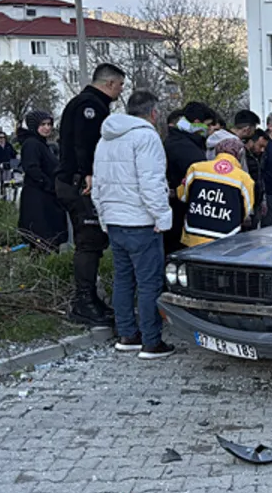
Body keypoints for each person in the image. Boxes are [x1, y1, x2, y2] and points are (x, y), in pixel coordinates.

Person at [91, 90, 174, 360]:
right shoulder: (147, 137)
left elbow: (97, 185)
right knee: (149, 283)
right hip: (141, 222)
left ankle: (128, 335)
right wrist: (162, 217)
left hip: (114, 220)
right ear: (153, 113)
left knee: (123, 280)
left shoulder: (105, 140)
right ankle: (152, 342)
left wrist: (103, 217)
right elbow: (150, 182)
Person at [55, 62, 125, 327]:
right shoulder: (90, 106)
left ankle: (90, 299)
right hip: (78, 183)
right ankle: (83, 302)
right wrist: (88, 173)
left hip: (73, 181)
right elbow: (84, 143)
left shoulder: (87, 102)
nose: (120, 91)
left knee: (93, 242)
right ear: (109, 83)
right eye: (119, 85)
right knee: (89, 242)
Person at [178, 137, 256, 246]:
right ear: (239, 155)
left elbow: (182, 196)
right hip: (225, 239)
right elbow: (246, 211)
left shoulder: (196, 168)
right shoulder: (245, 178)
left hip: (193, 236)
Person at [163, 102, 216, 252]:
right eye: (209, 125)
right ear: (198, 123)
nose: (211, 130)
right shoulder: (185, 147)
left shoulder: (178, 140)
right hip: (180, 212)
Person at [16, 111, 69, 251]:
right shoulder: (32, 144)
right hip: (38, 199)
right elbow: (32, 169)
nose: (47, 128)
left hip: (46, 196)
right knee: (42, 240)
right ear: (35, 126)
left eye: (49, 124)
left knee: (49, 240)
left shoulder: (42, 144)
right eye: (43, 124)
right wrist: (49, 184)